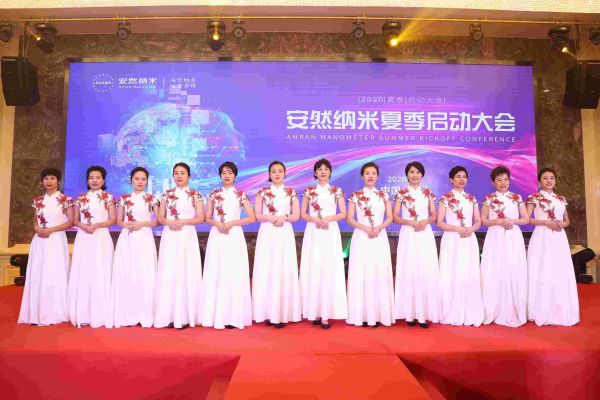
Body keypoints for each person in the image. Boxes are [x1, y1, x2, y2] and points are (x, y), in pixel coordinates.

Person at [201, 161, 255, 330]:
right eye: (224, 173)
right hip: (217, 235)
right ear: (220, 175)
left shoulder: (240, 195)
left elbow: (251, 217)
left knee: (233, 272)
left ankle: (233, 315)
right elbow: (207, 218)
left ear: (235, 176)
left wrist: (233, 222)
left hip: (234, 235)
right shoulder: (213, 195)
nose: (227, 175)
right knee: (216, 271)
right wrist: (217, 223)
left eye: (230, 173)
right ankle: (215, 316)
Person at [18, 168, 73, 325]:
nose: (49, 181)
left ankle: (55, 312)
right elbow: (35, 222)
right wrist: (37, 229)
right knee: (38, 272)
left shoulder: (66, 200)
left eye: (52, 178)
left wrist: (51, 230)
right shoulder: (38, 200)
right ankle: (35, 312)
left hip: (56, 239)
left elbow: (71, 222)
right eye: (46, 178)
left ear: (59, 181)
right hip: (40, 240)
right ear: (42, 182)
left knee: (54, 272)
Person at [526, 167, 579, 326]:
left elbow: (567, 220)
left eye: (552, 178)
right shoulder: (534, 198)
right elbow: (527, 219)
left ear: (555, 181)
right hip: (541, 236)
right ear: (539, 181)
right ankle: (540, 309)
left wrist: (562, 224)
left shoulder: (561, 199)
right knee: (542, 269)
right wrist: (546, 222)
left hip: (558, 238)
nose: (549, 181)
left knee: (558, 269)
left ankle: (560, 308)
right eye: (545, 178)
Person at [154, 162, 204, 329]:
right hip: (170, 235)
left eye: (183, 173)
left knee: (186, 271)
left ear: (189, 176)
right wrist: (169, 222)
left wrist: (183, 222)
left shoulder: (195, 194)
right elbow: (160, 217)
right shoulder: (166, 195)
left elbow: (200, 218)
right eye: (176, 173)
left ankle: (186, 316)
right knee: (170, 271)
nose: (179, 176)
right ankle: (168, 315)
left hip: (187, 235)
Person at [300, 159, 348, 329]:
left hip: (330, 231)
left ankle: (327, 314)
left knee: (329, 269)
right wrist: (314, 219)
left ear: (330, 172)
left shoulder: (337, 191)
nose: (323, 171)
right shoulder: (309, 191)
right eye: (319, 169)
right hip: (313, 231)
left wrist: (329, 218)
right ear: (315, 173)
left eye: (326, 169)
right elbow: (303, 213)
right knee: (314, 269)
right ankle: (314, 311)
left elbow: (343, 213)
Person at [108, 167, 159, 328]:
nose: (140, 182)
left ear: (147, 181)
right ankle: (127, 313)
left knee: (144, 273)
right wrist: (127, 225)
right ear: (131, 180)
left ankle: (145, 313)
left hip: (145, 237)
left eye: (143, 179)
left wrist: (141, 224)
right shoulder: (124, 198)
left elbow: (157, 221)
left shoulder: (152, 199)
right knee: (127, 271)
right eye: (137, 179)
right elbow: (119, 220)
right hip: (128, 238)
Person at [252, 161, 301, 328]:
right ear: (269, 174)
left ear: (285, 173)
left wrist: (285, 217)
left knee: (283, 268)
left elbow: (296, 215)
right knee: (267, 269)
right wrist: (269, 217)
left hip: (284, 232)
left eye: (280, 171)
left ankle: (282, 313)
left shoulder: (291, 192)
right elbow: (257, 214)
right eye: (274, 171)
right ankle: (266, 312)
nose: (277, 174)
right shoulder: (262, 192)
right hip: (267, 231)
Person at [346, 162, 394, 327]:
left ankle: (379, 314)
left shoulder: (384, 195)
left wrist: (378, 228)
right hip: (361, 236)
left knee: (378, 272)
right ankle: (362, 315)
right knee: (361, 272)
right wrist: (365, 228)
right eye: (367, 173)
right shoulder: (355, 196)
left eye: (373, 173)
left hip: (379, 236)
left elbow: (390, 217)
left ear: (377, 176)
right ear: (362, 176)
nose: (370, 176)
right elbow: (350, 218)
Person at [68, 166, 116, 328]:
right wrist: (84, 226)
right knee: (84, 271)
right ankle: (83, 313)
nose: (94, 180)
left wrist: (96, 225)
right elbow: (75, 220)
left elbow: (112, 219)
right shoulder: (81, 198)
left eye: (98, 177)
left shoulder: (108, 198)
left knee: (100, 270)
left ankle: (101, 314)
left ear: (103, 180)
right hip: (84, 237)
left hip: (101, 237)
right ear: (87, 180)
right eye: (91, 178)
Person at [480, 166, 528, 327]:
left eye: (505, 179)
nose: (503, 182)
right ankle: (493, 309)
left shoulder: (516, 198)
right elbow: (483, 220)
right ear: (493, 182)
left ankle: (514, 309)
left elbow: (525, 219)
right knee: (495, 269)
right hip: (495, 237)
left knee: (513, 268)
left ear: (509, 180)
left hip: (513, 236)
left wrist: (513, 221)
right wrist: (498, 221)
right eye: (499, 180)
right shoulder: (489, 198)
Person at [393, 161, 439, 329]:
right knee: (409, 269)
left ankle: (423, 314)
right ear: (407, 174)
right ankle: (409, 313)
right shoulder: (401, 193)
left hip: (424, 233)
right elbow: (395, 216)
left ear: (422, 175)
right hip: (408, 233)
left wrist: (425, 221)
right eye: (412, 172)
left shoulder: (428, 193)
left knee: (425, 270)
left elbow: (434, 215)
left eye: (418, 172)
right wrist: (409, 222)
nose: (415, 175)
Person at [437, 165, 484, 327]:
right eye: (458, 176)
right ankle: (450, 311)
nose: (462, 179)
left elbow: (478, 221)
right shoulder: (445, 198)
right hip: (452, 238)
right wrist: (457, 228)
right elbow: (440, 222)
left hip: (468, 239)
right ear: (451, 180)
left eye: (464, 176)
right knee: (451, 272)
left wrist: (471, 229)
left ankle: (469, 310)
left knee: (468, 272)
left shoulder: (471, 198)